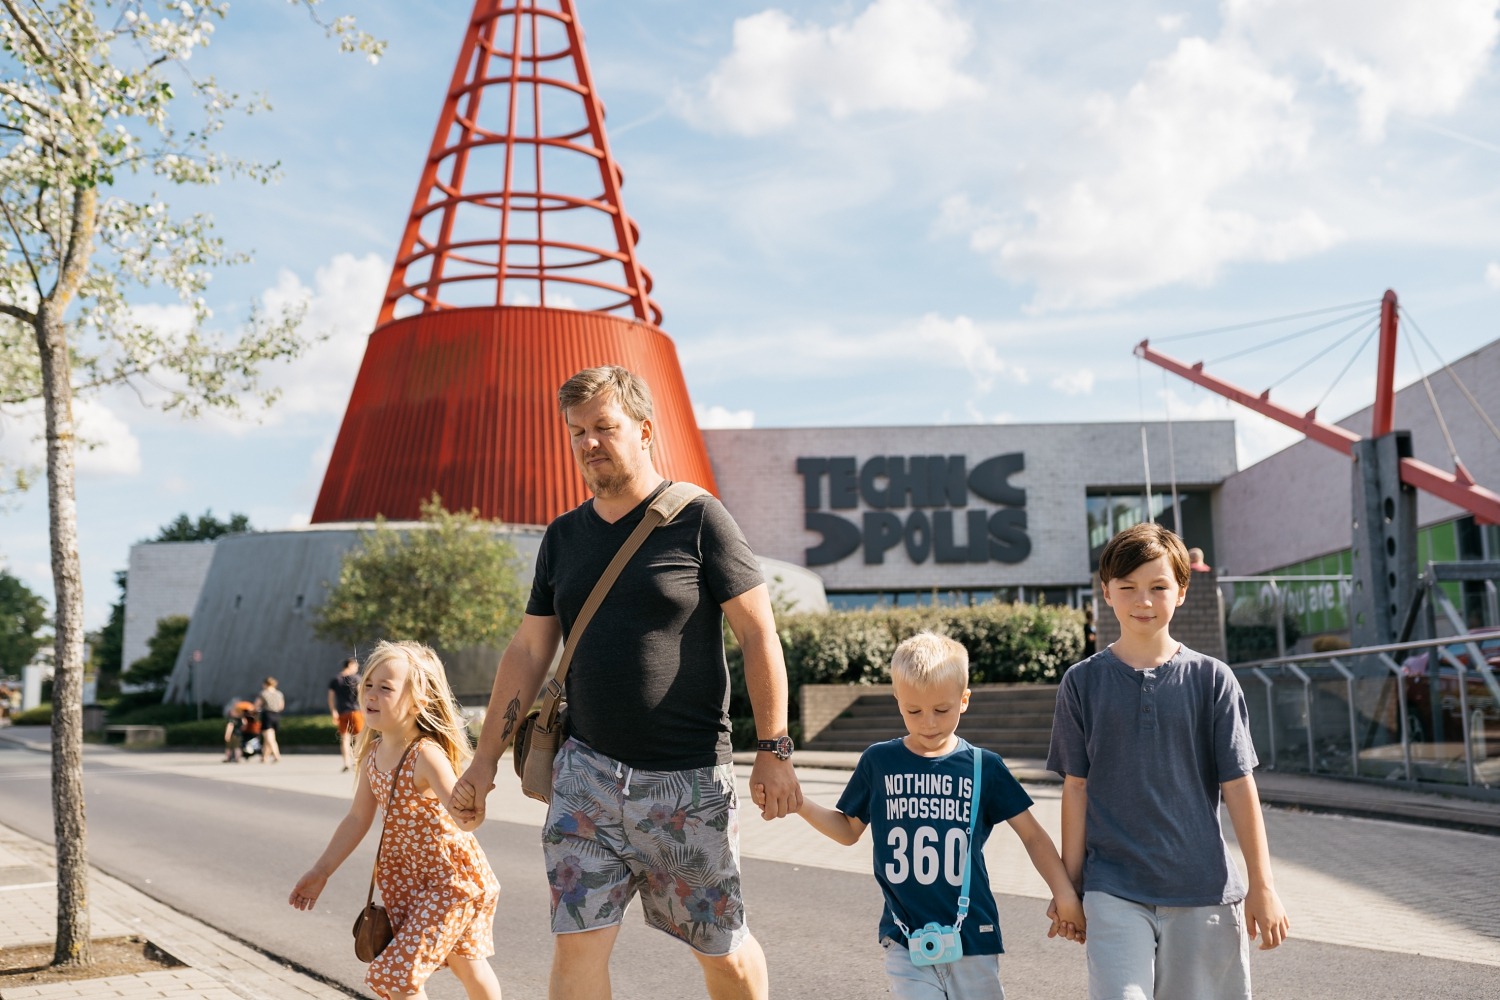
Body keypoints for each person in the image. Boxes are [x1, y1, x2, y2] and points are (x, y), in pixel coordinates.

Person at [449, 365, 801, 1000]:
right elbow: (530, 650)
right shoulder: (562, 538)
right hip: (583, 777)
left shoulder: (700, 520)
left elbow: (758, 635)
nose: (589, 444)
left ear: (643, 431)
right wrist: (483, 763)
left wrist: (773, 749)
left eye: (604, 428)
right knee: (575, 949)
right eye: (577, 431)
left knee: (720, 951)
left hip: (686, 779)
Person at [1047, 522, 1289, 1000]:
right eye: (1128, 588)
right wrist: (1069, 888)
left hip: (1204, 888)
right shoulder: (1081, 683)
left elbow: (1240, 787)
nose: (1143, 601)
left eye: (1158, 587)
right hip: (1112, 886)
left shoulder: (1213, 680)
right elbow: (1075, 788)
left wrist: (1263, 885)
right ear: (1106, 594)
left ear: (1181, 591)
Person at [794, 631, 1084, 999]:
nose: (928, 723)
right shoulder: (878, 762)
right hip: (905, 938)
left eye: (941, 710)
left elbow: (1032, 836)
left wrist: (1066, 894)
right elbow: (848, 830)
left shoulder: (984, 767)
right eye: (913, 710)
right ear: (897, 699)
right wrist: (800, 803)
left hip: (973, 936)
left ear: (964, 700)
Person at [289, 641, 502, 1000]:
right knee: (468, 964)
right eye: (367, 685)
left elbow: (461, 816)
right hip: (413, 885)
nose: (371, 694)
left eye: (385, 688)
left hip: (451, 885)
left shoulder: (426, 755)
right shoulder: (372, 753)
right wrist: (321, 870)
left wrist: (472, 809)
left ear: (418, 701)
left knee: (395, 977)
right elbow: (357, 818)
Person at [329, 657, 363, 771]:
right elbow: (360, 694)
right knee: (359, 738)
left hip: (342, 712)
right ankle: (358, 761)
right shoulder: (356, 678)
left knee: (345, 738)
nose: (357, 669)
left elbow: (330, 698)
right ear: (350, 665)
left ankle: (346, 763)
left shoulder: (335, 680)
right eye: (356, 667)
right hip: (356, 711)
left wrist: (333, 711)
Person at [256, 676, 285, 764]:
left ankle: (276, 755)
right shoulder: (279, 693)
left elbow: (257, 705)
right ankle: (264, 757)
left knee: (270, 738)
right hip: (276, 715)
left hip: (267, 715)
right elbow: (281, 706)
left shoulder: (264, 693)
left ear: (265, 684)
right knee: (267, 738)